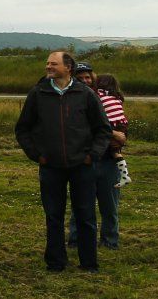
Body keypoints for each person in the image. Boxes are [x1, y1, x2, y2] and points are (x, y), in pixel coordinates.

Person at [15, 50, 111, 272]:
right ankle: (56, 262)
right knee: (53, 216)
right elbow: (23, 129)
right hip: (51, 167)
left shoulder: (85, 94)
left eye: (53, 64)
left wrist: (92, 155)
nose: (48, 67)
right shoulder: (38, 93)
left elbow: (103, 129)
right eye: (47, 64)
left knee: (86, 215)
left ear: (68, 68)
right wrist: (37, 155)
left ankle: (89, 263)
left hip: (82, 166)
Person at [93, 73, 130, 248]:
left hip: (106, 133)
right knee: (115, 150)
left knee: (104, 205)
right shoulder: (117, 97)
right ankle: (109, 240)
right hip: (119, 125)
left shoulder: (97, 95)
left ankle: (79, 240)